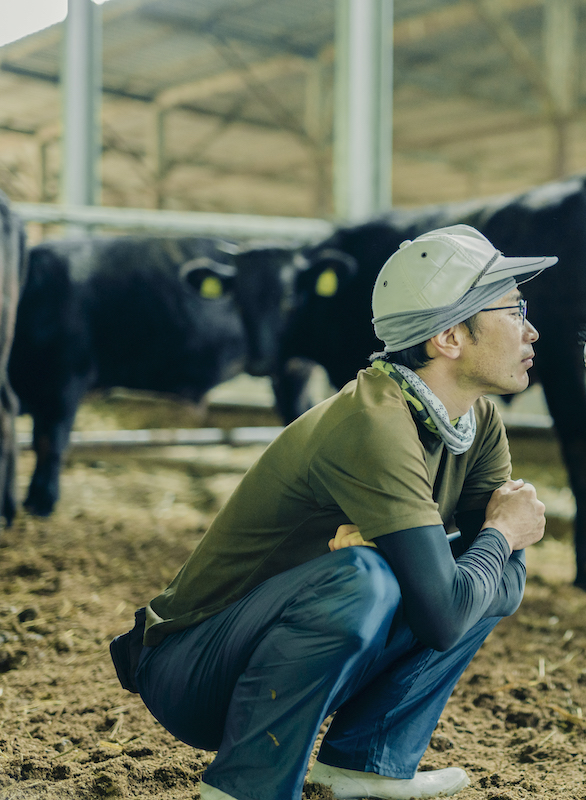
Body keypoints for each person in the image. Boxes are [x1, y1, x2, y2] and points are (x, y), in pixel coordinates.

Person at [109, 224, 553, 800]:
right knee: (372, 578)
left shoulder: (477, 419)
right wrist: (497, 531)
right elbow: (444, 614)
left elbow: (489, 587)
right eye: (514, 309)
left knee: (481, 574)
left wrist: (479, 551)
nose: (533, 329)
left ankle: (365, 762)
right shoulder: (372, 421)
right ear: (449, 336)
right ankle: (248, 787)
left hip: (283, 654)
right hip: (193, 670)